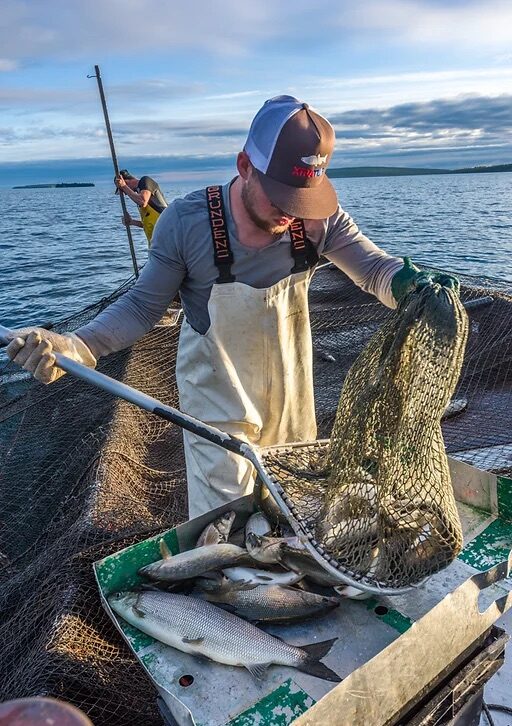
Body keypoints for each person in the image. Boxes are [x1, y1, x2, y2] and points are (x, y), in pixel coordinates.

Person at [6, 95, 458, 519]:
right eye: (281, 197)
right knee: (228, 523)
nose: (291, 213)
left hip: (291, 394)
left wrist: (409, 284)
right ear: (245, 165)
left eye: (303, 200)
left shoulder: (319, 220)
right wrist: (75, 346)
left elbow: (373, 269)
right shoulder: (185, 223)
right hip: (215, 402)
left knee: (294, 514)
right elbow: (142, 307)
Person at [115, 169, 167, 245]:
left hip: (166, 238)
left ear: (126, 182)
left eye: (123, 191)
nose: (125, 194)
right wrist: (132, 222)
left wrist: (123, 186)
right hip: (155, 245)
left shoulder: (145, 181)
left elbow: (143, 201)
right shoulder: (139, 199)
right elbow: (149, 224)